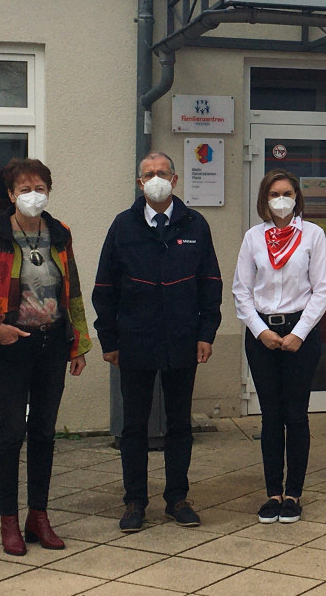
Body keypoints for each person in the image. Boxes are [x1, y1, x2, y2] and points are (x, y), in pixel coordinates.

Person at [0, 158, 91, 556]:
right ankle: (8, 521)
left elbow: (73, 291)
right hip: (8, 345)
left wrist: (78, 342)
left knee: (44, 433)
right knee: (12, 432)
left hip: (51, 344)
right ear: (10, 194)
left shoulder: (59, 232)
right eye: (24, 188)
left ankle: (39, 517)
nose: (33, 194)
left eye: (40, 187)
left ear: (49, 191)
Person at [93, 151, 222, 532]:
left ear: (175, 180)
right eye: (148, 174)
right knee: (133, 427)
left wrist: (206, 334)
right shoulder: (123, 226)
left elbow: (209, 285)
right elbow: (105, 288)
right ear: (139, 184)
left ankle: (177, 499)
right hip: (134, 342)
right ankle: (134, 502)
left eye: (162, 173)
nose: (155, 179)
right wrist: (108, 339)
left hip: (183, 341)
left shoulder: (195, 225)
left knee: (179, 425)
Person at [232, 169, 326, 524]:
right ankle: (272, 493)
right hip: (262, 335)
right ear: (265, 198)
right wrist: (260, 331)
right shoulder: (253, 238)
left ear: (297, 196)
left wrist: (299, 333)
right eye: (274, 193)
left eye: (287, 192)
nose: (281, 199)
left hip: (299, 334)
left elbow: (322, 289)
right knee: (271, 417)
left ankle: (294, 494)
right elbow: (241, 290)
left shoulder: (313, 236)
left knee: (296, 415)